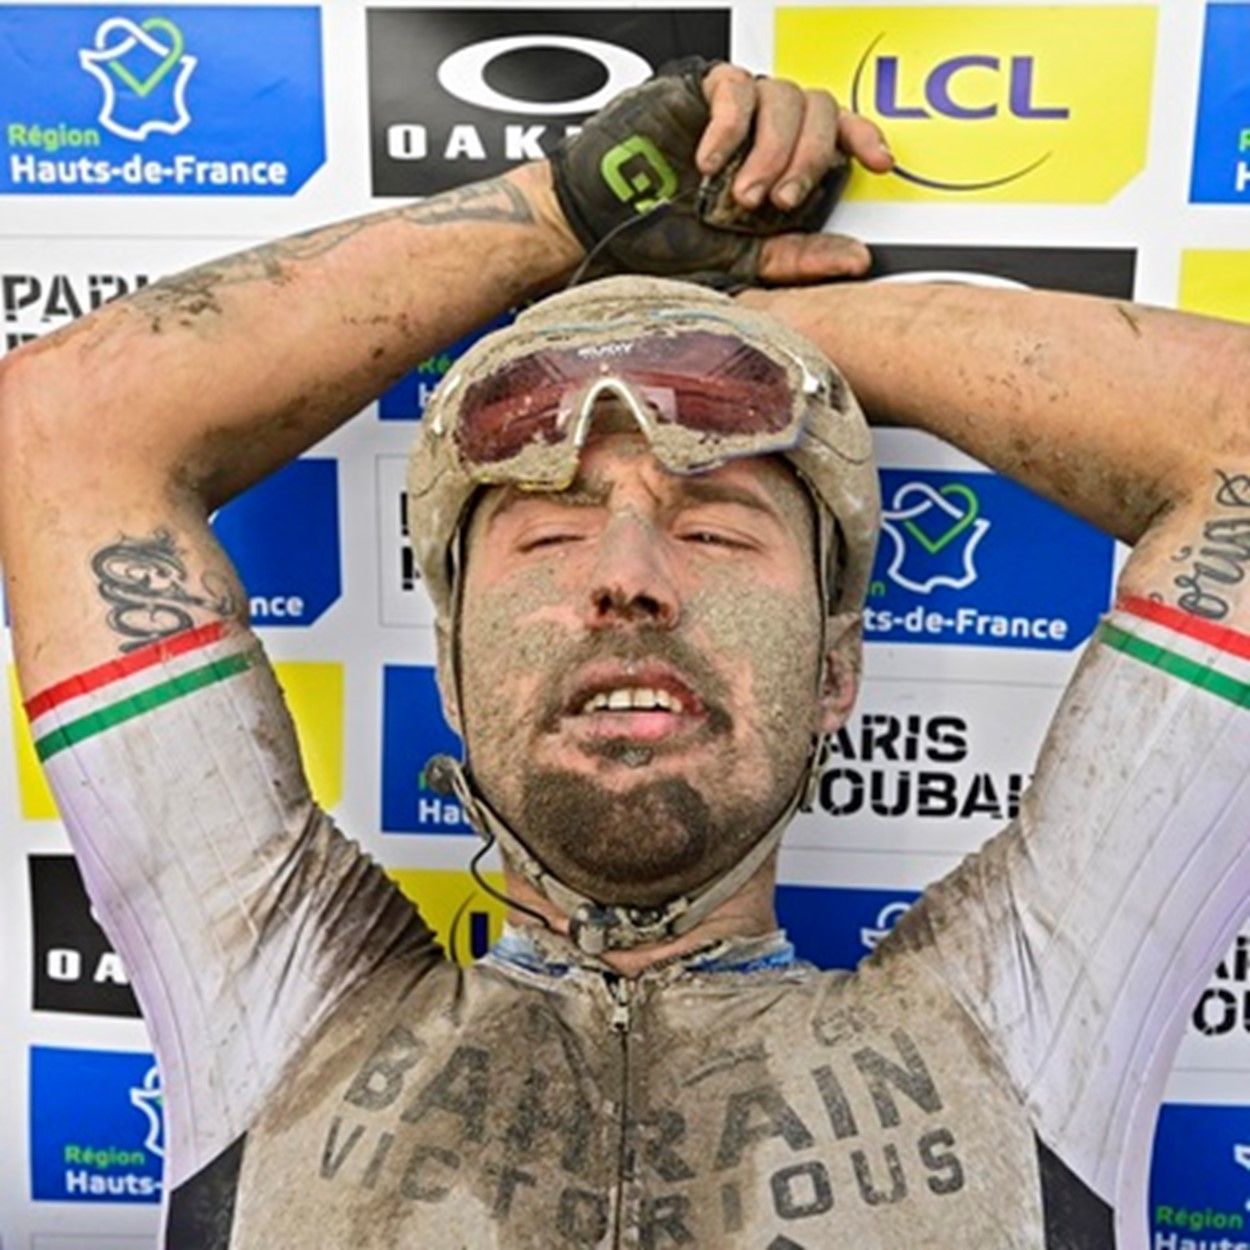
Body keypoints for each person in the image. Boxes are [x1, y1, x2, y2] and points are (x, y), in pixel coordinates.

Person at [1, 57, 1247, 1250]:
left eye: (713, 528)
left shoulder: (1019, 1023)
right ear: (448, 667)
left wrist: (732, 331)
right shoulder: (281, 1007)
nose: (626, 575)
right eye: (547, 533)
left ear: (835, 667)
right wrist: (565, 213)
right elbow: (62, 429)